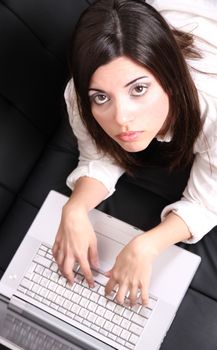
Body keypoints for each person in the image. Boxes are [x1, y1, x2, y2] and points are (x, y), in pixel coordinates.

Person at [52, 0, 217, 306]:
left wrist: (147, 246)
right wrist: (75, 207)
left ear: (170, 81)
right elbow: (98, 155)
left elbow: (206, 203)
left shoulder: (213, 109)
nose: (122, 119)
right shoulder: (80, 96)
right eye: (102, 97)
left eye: (138, 90)